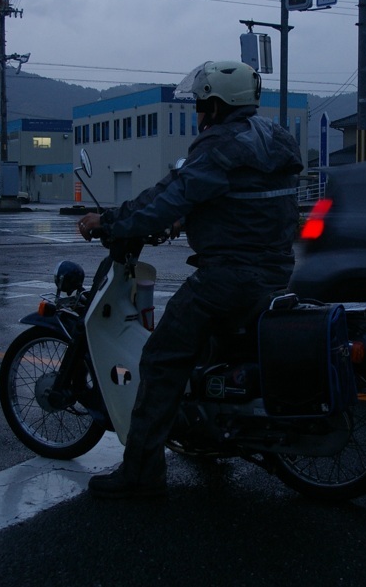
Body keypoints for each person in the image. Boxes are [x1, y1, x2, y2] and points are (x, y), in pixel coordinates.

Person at [77, 60, 304, 499]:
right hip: (275, 271)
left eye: (202, 105)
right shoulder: (275, 138)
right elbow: (241, 200)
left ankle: (141, 473)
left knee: (161, 358)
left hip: (231, 277)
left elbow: (167, 196)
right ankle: (210, 439)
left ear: (217, 107)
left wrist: (110, 221)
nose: (198, 114)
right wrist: (187, 219)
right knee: (208, 350)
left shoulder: (220, 144)